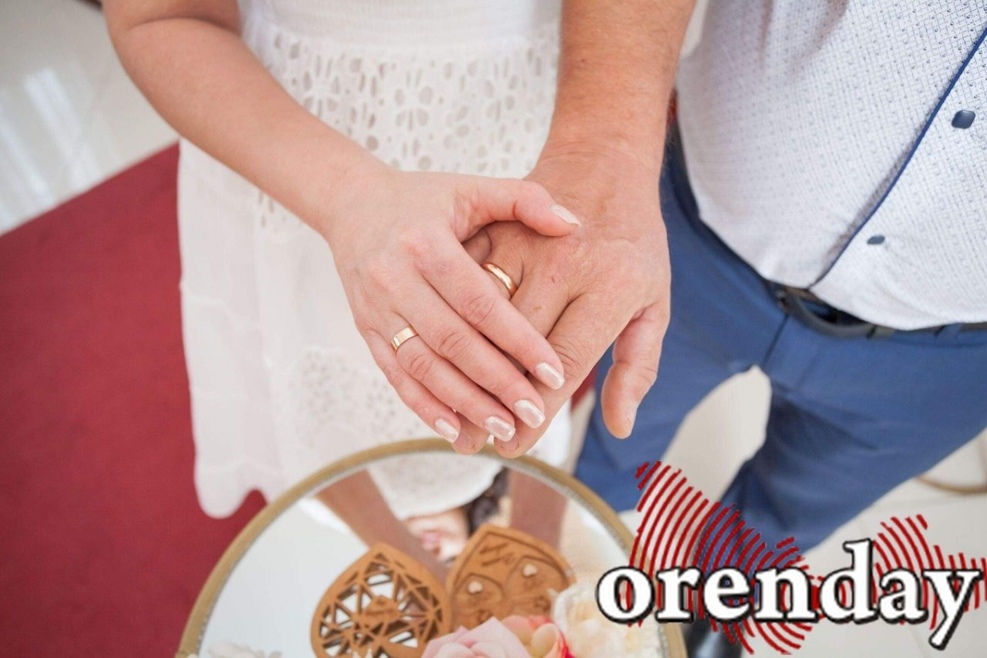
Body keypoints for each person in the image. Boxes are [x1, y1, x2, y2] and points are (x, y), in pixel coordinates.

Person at [459, 2, 986, 656]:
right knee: (618, 433)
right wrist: (604, 150)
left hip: (950, 352)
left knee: (788, 514)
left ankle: (711, 610)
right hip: (696, 231)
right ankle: (579, 540)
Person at [104, 0, 581, 517]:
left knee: (526, 364)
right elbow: (160, 17)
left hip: (534, 113)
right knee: (314, 390)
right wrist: (350, 199)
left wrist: (608, 147)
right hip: (285, 134)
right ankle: (387, 546)